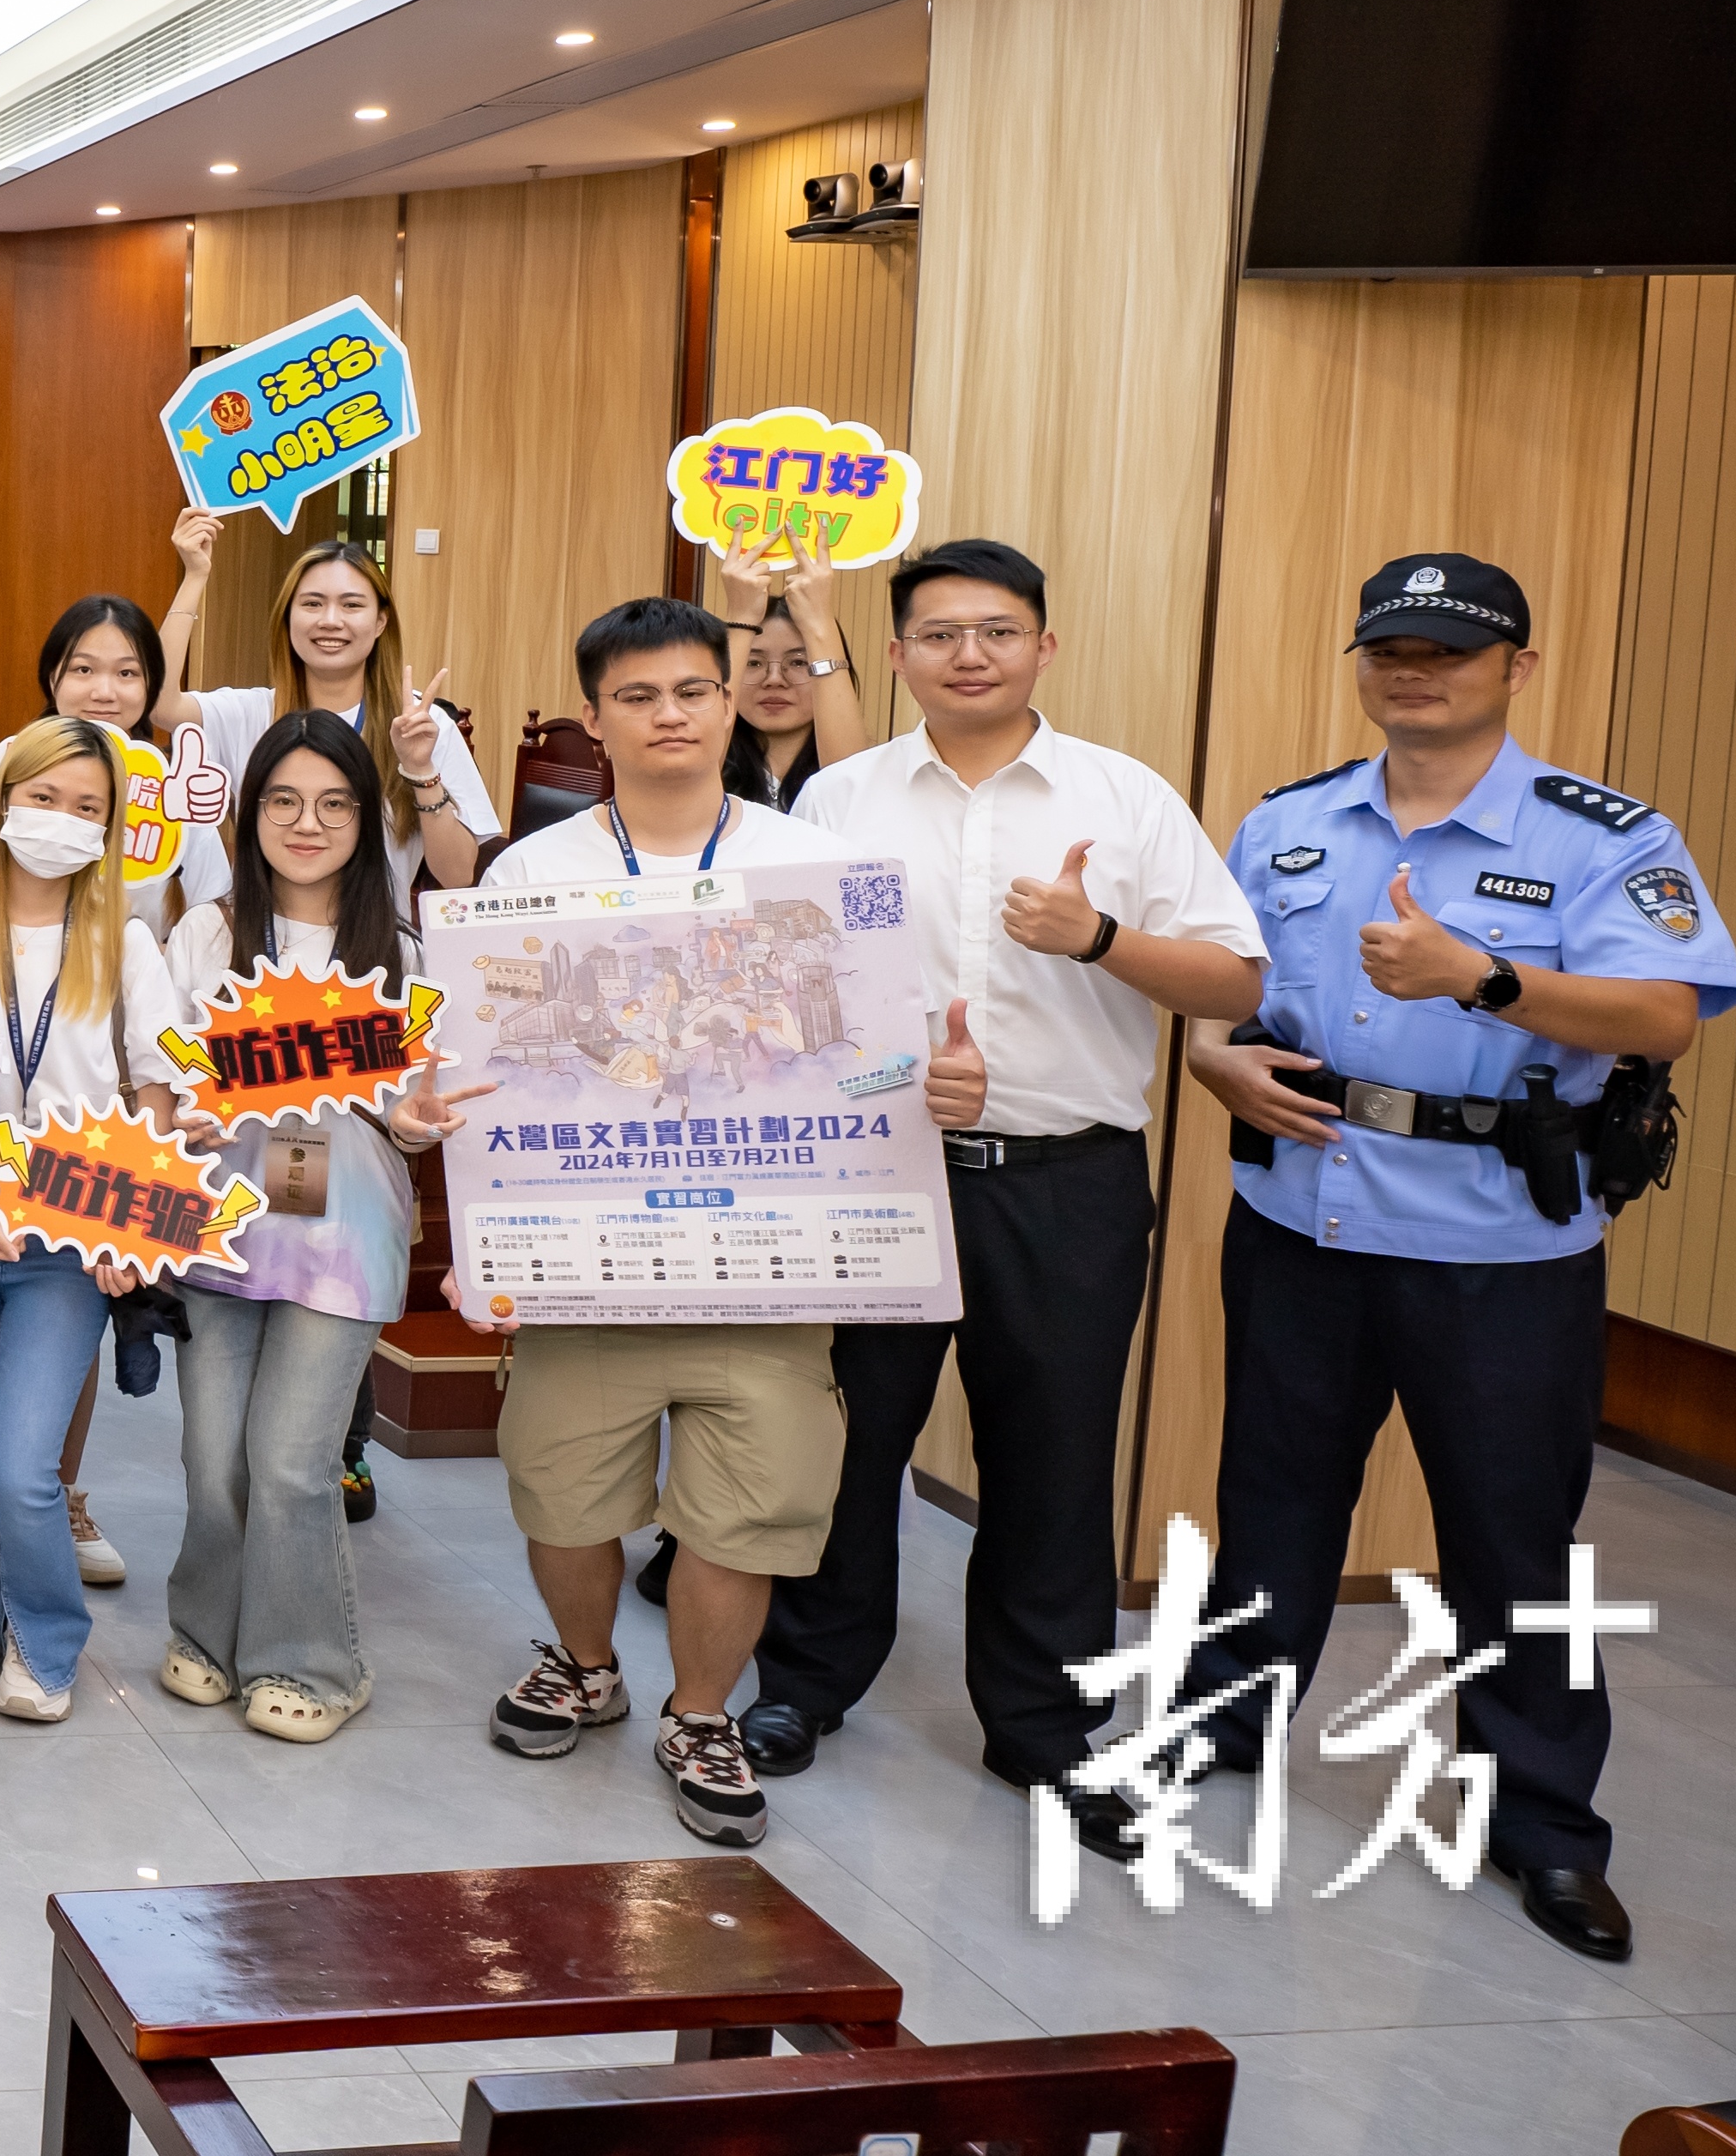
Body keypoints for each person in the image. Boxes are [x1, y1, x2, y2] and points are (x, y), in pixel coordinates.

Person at [1182, 553, 1736, 1965]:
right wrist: (1210, 1062)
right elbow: (1229, 992)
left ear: (1516, 668)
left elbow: (1666, 1015)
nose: (1414, 669)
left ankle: (1547, 1827)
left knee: (1512, 1540)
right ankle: (1223, 1733)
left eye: (1449, 648)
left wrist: (1485, 976)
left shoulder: (1600, 833)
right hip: (1303, 1217)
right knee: (1272, 1496)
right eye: (1390, 647)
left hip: (1496, 1242)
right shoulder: (1290, 820)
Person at [754, 541, 1263, 1819]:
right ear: (898, 655)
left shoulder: (1127, 798)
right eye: (937, 633)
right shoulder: (840, 801)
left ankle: (1048, 1724)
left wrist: (1097, 937)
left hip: (1066, 1183)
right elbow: (774, 1000)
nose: (967, 654)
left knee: (1054, 1461)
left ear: (1045, 644)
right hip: (875, 1172)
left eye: (995, 630)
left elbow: (1239, 983)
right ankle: (806, 1681)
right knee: (847, 1443)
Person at [468, 597, 881, 1851]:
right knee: (563, 1491)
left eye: (693, 691)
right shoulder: (532, 874)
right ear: (595, 718)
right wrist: (453, 1132)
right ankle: (588, 1665)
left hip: (763, 1259)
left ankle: (700, 1711)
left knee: (744, 1505)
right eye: (638, 696)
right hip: (594, 1261)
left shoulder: (808, 865)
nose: (670, 716)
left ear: (733, 701)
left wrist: (925, 1085)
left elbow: (864, 1046)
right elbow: (494, 1060)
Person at [161, 715, 480, 1745]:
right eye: (285, 801)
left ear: (367, 817)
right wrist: (187, 1112)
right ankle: (210, 1633)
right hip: (223, 1222)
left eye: (336, 803)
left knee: (293, 1461)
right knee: (215, 1460)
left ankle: (314, 1661)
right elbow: (165, 1086)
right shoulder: (206, 934)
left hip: (346, 1233)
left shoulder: (406, 952)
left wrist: (416, 1121)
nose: (309, 823)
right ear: (252, 816)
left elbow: (415, 1114)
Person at [0, 717, 194, 1718]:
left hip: (74, 1238)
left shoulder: (125, 940)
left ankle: (45, 1636)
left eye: (87, 808)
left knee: (22, 1467)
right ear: (0, 803)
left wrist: (132, 1231)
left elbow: (159, 1095)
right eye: (42, 799)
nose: (60, 822)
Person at [166, 520, 495, 893]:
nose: (330, 621)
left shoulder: (421, 726)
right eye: (312, 604)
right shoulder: (249, 713)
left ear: (380, 622)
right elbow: (161, 704)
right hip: (261, 943)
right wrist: (194, 576)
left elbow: (459, 875)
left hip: (375, 945)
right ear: (288, 617)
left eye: (352, 605)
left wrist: (421, 771)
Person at [719, 544, 872, 811]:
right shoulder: (704, 768)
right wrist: (740, 618)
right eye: (753, 662)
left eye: (799, 662)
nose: (774, 679)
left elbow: (848, 792)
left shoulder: (873, 771)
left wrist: (820, 621)